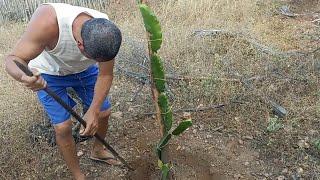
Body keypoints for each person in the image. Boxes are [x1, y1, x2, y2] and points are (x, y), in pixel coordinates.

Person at [4, 3, 122, 180]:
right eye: (95, 59)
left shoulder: (105, 33)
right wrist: (24, 78)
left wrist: (93, 111)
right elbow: (13, 59)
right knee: (62, 127)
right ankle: (78, 175)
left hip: (83, 71)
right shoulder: (48, 22)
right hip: (48, 73)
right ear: (80, 46)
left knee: (103, 113)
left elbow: (105, 74)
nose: (99, 61)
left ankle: (98, 150)